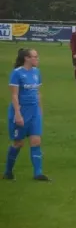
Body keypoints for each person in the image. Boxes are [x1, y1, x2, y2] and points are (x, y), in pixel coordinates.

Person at [3, 48, 50, 181]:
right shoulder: (17, 73)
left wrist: (40, 110)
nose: (37, 59)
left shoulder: (37, 72)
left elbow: (38, 92)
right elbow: (14, 95)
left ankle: (38, 173)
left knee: (36, 141)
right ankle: (8, 172)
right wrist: (17, 114)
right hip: (21, 111)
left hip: (34, 112)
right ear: (27, 58)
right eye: (35, 57)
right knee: (18, 143)